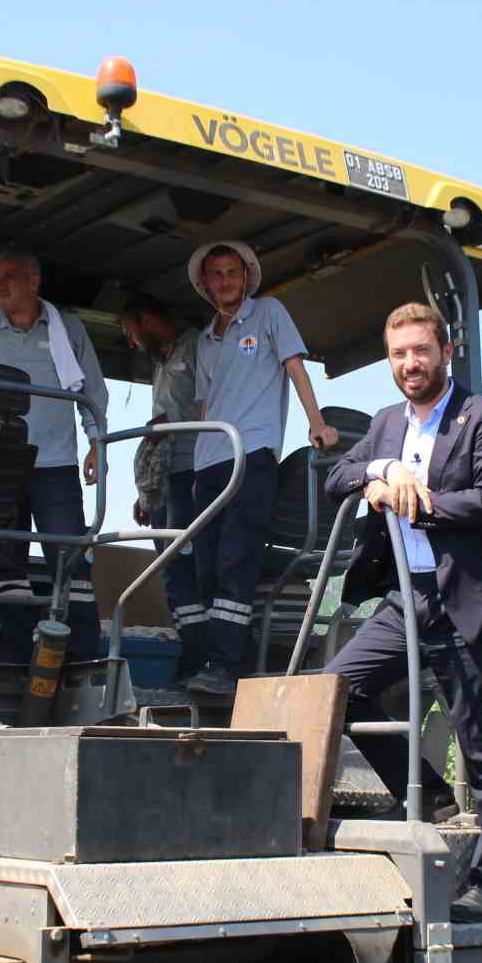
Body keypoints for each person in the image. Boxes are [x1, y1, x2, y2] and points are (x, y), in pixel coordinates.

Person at [323, 302, 482, 924]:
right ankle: (434, 795)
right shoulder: (388, 423)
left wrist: (419, 502)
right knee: (334, 690)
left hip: (470, 601)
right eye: (398, 354)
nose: (410, 364)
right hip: (405, 598)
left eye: (420, 351)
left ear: (445, 352)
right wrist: (379, 473)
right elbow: (337, 473)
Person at [0, 248, 110, 656]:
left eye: (9, 276)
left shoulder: (68, 330)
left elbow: (93, 392)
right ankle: (15, 651)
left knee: (70, 556)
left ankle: (84, 652)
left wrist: (96, 443)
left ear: (34, 281)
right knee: (6, 561)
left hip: (56, 464)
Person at [184, 240, 339, 696]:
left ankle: (225, 665)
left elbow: (295, 368)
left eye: (233, 272)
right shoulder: (205, 338)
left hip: (251, 454)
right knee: (206, 565)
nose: (226, 280)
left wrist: (317, 422)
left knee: (237, 555)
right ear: (206, 284)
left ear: (245, 278)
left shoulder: (270, 312)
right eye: (217, 274)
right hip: (208, 458)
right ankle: (231, 656)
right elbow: (206, 402)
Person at [121, 293, 204, 680]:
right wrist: (145, 494)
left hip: (193, 469)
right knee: (169, 566)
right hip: (164, 477)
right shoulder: (161, 360)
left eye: (131, 332)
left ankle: (199, 647)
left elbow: (206, 404)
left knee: (186, 560)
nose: (132, 342)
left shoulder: (197, 346)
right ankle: (188, 642)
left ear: (149, 319)